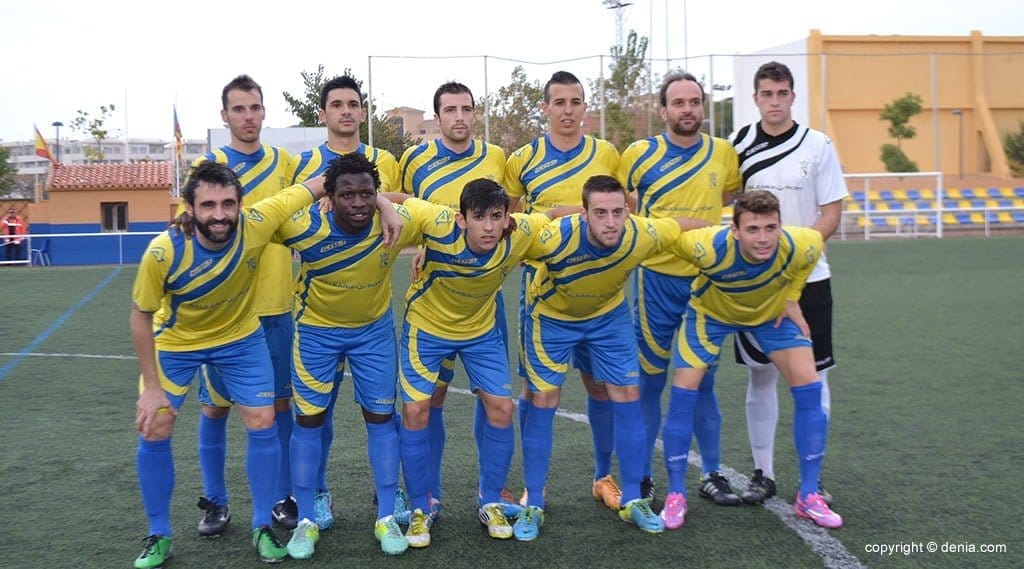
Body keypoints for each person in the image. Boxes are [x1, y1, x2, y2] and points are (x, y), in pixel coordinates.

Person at [130, 162, 326, 568]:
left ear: (240, 204)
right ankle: (158, 533)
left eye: (227, 203)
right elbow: (140, 315)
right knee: (156, 423)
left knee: (262, 420)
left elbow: (318, 184)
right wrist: (151, 387)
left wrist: (385, 203)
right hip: (177, 343)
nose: (219, 214)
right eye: (208, 205)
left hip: (240, 339)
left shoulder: (257, 222)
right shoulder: (164, 251)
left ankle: (261, 526)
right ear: (189, 207)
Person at [515, 175, 709, 541]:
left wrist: (725, 233)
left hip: (608, 317)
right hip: (553, 318)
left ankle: (632, 497)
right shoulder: (554, 237)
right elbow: (508, 234)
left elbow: (681, 226)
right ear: (584, 213)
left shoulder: (641, 233)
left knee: (626, 396)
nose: (610, 222)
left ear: (627, 211)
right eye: (600, 213)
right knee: (543, 399)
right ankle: (534, 501)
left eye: (618, 212)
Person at [658, 190, 843, 530]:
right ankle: (675, 494)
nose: (763, 239)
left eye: (770, 228)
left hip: (768, 315)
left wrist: (790, 297)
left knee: (809, 388)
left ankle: (808, 496)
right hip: (709, 317)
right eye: (753, 229)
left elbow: (806, 262)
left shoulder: (804, 243)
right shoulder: (706, 245)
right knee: (683, 395)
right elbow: (665, 233)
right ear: (736, 230)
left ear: (781, 227)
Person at [394, 178, 556, 548]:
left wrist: (588, 211)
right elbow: (399, 200)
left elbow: (554, 217)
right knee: (416, 411)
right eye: (479, 217)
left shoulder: (520, 233)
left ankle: (490, 501)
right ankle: (421, 507)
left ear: (506, 219)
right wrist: (382, 205)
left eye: (496, 217)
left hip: (480, 332)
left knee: (501, 407)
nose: (488, 226)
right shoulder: (436, 223)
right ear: (461, 218)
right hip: (427, 328)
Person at [273, 153, 408, 558]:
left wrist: (386, 202)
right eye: (346, 194)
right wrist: (315, 186)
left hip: (373, 335)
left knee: (381, 419)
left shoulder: (396, 221)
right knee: (309, 421)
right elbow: (264, 216)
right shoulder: (305, 226)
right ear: (330, 197)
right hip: (316, 334)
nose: (359, 203)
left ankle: (385, 514)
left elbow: (433, 210)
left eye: (367, 194)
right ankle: (307, 519)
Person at [181, 75, 299, 537]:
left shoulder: (284, 163)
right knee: (215, 408)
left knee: (280, 406)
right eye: (239, 109)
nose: (248, 117)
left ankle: (281, 498)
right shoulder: (208, 168)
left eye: (255, 108)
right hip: (224, 314)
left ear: (265, 113)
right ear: (224, 115)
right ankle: (216, 501)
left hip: (276, 307)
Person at [616, 72, 741, 506]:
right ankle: (642, 474)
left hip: (708, 283)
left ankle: (712, 473)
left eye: (694, 101)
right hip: (655, 282)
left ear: (703, 107)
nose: (687, 109)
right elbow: (624, 204)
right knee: (649, 383)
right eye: (678, 102)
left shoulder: (723, 153)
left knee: (703, 383)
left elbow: (728, 195)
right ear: (664, 110)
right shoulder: (639, 154)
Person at [729, 60, 847, 505]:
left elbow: (831, 212)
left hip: (810, 279)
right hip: (754, 283)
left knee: (816, 379)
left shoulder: (818, 145)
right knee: (760, 377)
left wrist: (797, 262)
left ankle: (810, 480)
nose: (774, 101)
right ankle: (764, 471)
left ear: (792, 96)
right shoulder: (738, 145)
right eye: (766, 94)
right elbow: (720, 195)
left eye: (782, 93)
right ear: (755, 97)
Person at [503, 70, 623, 510]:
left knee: (600, 387)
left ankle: (602, 476)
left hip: (598, 291)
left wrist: (562, 211)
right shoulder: (523, 159)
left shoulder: (607, 153)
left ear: (585, 107)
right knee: (537, 392)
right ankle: (535, 487)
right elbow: (511, 222)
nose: (568, 111)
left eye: (576, 102)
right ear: (545, 109)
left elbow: (622, 209)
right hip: (542, 294)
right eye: (560, 103)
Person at [397, 81, 507, 513]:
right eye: (450, 110)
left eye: (466, 109)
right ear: (437, 116)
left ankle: (491, 492)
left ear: (475, 114)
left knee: (492, 395)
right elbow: (406, 206)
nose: (459, 117)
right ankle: (428, 493)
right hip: (434, 297)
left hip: (482, 296)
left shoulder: (495, 157)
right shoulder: (415, 160)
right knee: (430, 400)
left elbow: (506, 212)